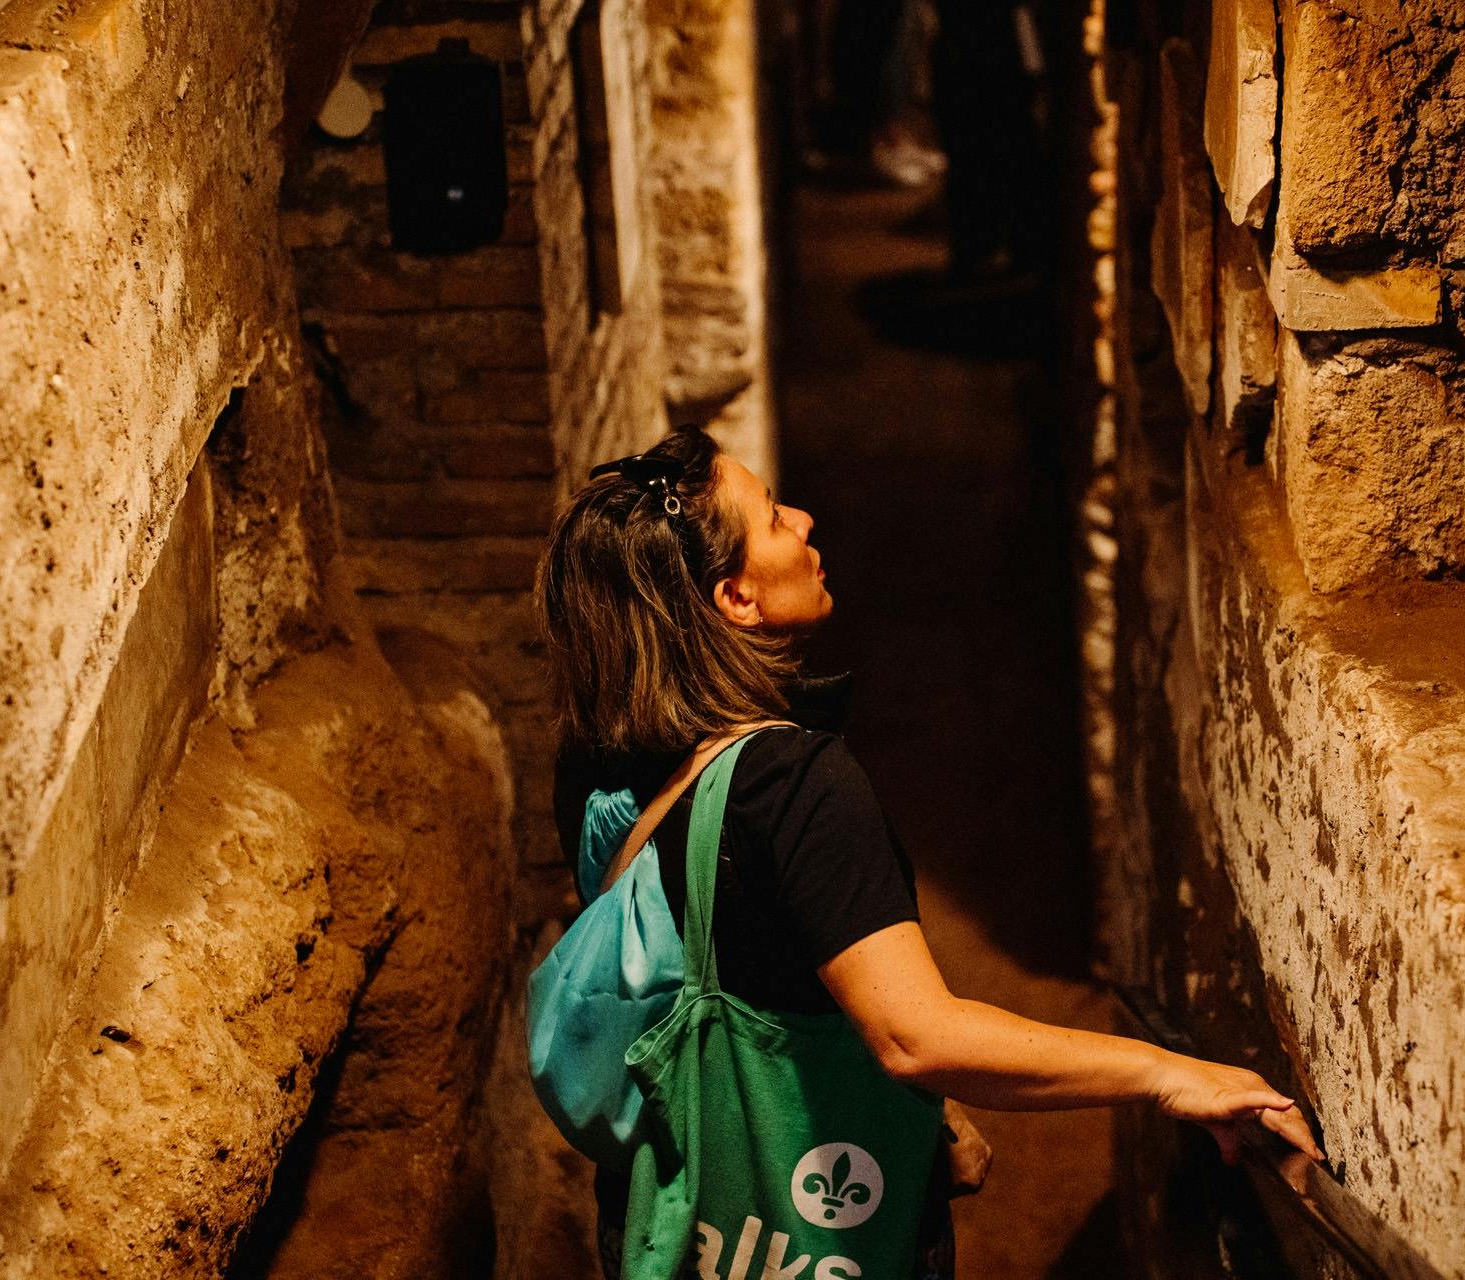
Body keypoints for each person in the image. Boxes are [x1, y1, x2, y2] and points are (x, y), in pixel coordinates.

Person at [537, 428, 1322, 1278]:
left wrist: (910, 1116)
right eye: (770, 518)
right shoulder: (795, 786)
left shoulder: (595, 767)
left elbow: (714, 964)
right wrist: (1169, 1074)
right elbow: (916, 1035)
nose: (801, 521)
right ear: (736, 598)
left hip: (667, 1221)